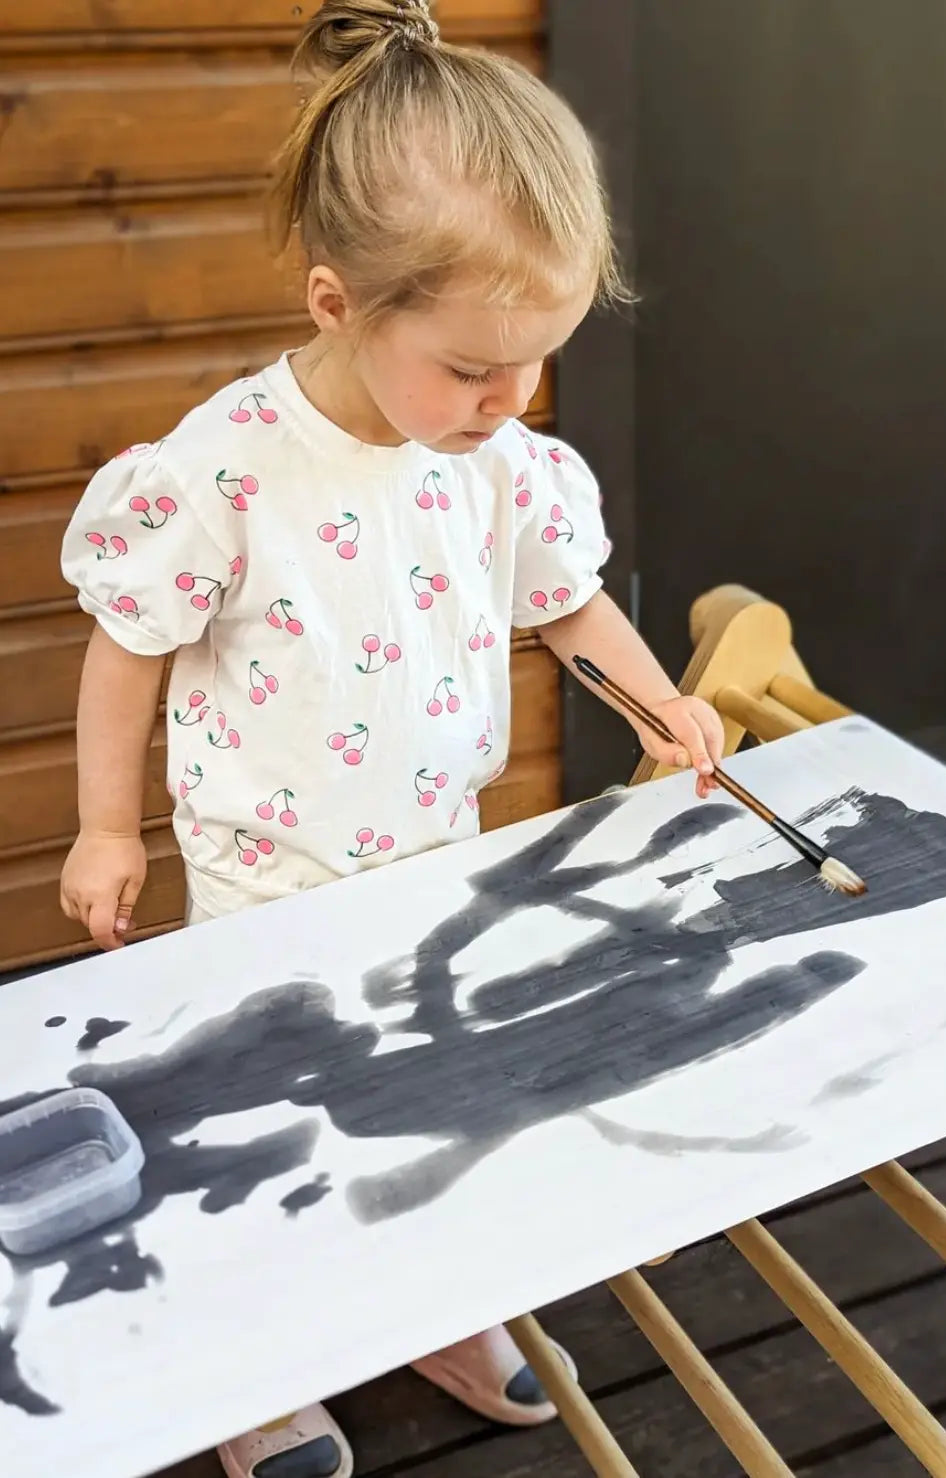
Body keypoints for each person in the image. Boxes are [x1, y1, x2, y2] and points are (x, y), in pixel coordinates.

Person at [58, 2, 724, 1474]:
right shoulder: (227, 470)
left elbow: (567, 606)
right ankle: (263, 1374)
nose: (511, 400)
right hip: (265, 880)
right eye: (475, 368)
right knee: (274, 1125)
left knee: (431, 1096)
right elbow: (129, 645)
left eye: (537, 363)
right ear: (336, 303)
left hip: (436, 854)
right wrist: (107, 827)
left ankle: (429, 1306)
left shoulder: (496, 460)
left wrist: (657, 703)